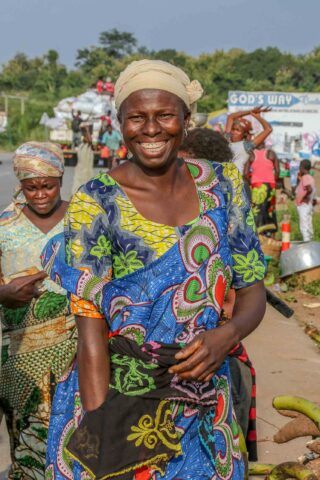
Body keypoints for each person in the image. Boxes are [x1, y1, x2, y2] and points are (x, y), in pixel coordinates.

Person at [43, 59, 266, 480]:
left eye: (164, 115)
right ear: (119, 122)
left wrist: (227, 335)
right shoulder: (97, 202)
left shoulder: (223, 185)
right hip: (117, 398)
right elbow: (90, 332)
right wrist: (105, 437)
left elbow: (252, 289)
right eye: (136, 118)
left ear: (186, 119)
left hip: (205, 408)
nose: (150, 129)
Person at [0, 142, 77, 479]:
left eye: (48, 185)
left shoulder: (81, 220)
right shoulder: (5, 225)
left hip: (77, 352)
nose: (41, 194)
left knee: (76, 440)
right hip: (20, 356)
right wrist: (4, 293)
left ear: (60, 179)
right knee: (27, 441)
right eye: (31, 187)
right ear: (21, 185)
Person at [225, 106, 273, 177]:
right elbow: (231, 117)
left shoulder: (246, 146)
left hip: (235, 180)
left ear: (244, 134)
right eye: (233, 129)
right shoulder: (226, 139)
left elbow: (268, 129)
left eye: (238, 130)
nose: (234, 132)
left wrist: (257, 117)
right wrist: (250, 111)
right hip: (222, 179)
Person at [245, 144, 280, 236]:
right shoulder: (271, 153)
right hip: (270, 185)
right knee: (270, 209)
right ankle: (270, 235)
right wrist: (272, 181)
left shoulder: (251, 154)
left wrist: (251, 182)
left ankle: (257, 235)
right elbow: (277, 171)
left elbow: (245, 173)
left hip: (257, 185)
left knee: (257, 209)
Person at [295, 159, 316, 241]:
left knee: (304, 224)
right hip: (308, 205)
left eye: (300, 167)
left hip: (304, 205)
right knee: (308, 223)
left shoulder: (305, 177)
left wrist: (304, 198)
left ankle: (306, 241)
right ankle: (310, 240)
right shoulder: (310, 177)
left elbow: (309, 189)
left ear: (302, 167)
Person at [72, 123, 94, 193]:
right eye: (84, 136)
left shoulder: (89, 146)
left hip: (86, 173)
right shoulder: (81, 146)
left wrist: (87, 129)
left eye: (86, 136)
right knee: (75, 191)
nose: (85, 137)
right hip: (79, 173)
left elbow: (90, 140)